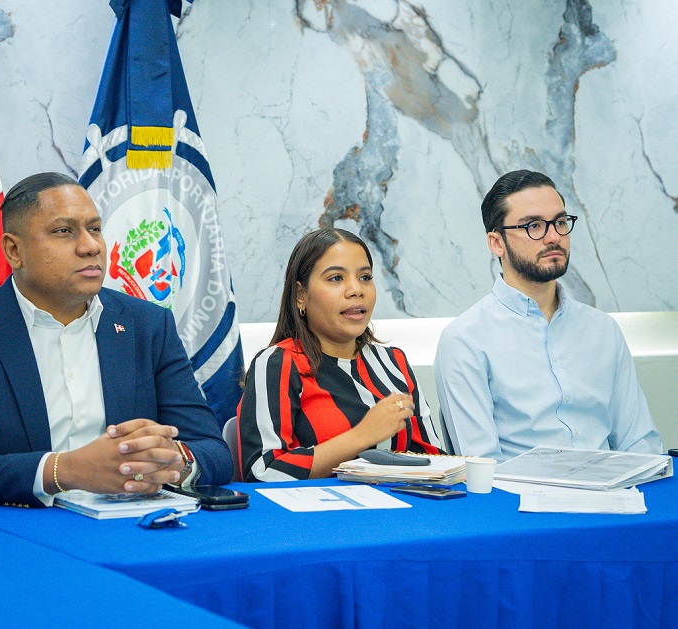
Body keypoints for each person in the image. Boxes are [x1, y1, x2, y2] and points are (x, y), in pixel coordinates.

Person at [0, 172, 232, 509]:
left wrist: (172, 460)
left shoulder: (148, 325)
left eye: (95, 228)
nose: (91, 246)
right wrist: (63, 471)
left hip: (132, 524)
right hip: (22, 531)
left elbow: (214, 452)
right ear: (14, 250)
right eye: (64, 231)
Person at [434, 169, 662, 461]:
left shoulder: (603, 329)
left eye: (560, 222)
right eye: (534, 226)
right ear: (497, 243)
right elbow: (482, 467)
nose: (553, 237)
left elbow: (640, 444)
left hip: (614, 487)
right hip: (518, 490)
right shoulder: (465, 340)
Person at [238, 228, 442, 481]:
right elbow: (262, 472)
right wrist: (361, 436)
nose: (356, 290)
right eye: (336, 278)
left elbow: (435, 461)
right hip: (315, 506)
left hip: (398, 503)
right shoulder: (278, 364)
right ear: (301, 295)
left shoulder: (393, 362)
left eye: (365, 277)